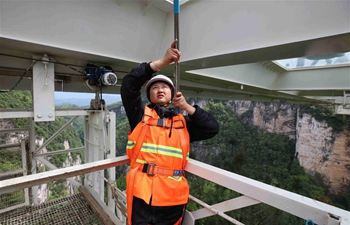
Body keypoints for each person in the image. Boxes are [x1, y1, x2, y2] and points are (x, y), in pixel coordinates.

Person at [121, 39, 219, 225]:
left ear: (172, 94)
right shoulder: (140, 117)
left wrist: (187, 107)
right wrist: (162, 62)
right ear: (149, 96)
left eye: (164, 87)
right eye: (155, 88)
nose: (159, 90)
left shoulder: (184, 123)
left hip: (172, 198)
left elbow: (212, 128)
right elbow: (129, 85)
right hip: (142, 194)